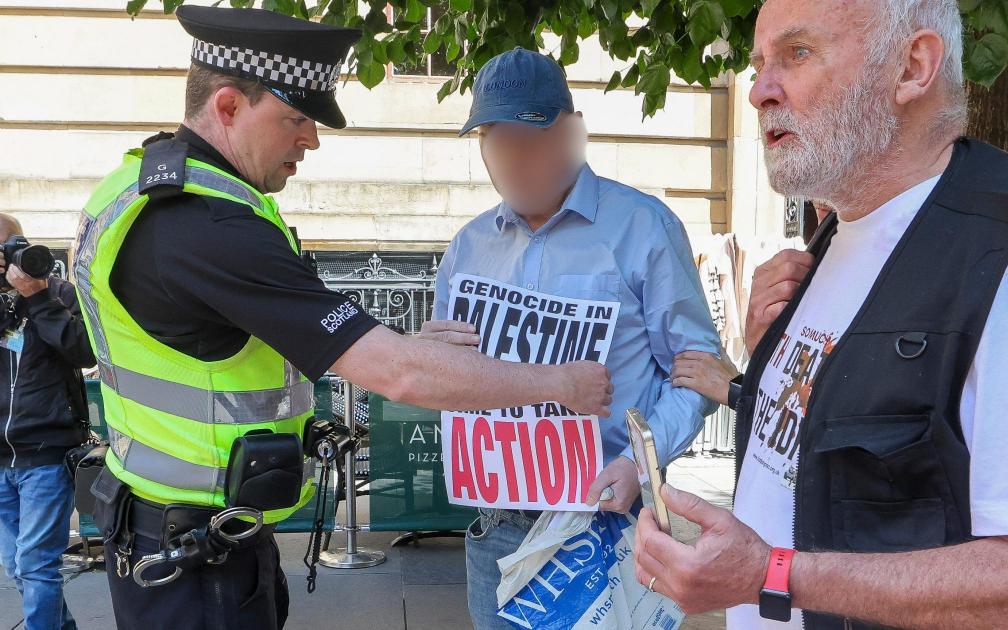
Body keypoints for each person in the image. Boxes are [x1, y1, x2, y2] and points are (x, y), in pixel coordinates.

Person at [73, 7, 611, 629]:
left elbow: (222, 338)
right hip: (196, 563)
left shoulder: (137, 185)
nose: (311, 139)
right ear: (227, 106)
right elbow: (399, 377)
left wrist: (399, 344)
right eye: (296, 118)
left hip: (168, 531)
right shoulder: (210, 226)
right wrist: (559, 386)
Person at [634, 1, 1008, 628]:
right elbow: (846, 456)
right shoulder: (837, 234)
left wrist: (771, 575)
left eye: (797, 53)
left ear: (913, 66)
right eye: (759, 62)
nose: (760, 91)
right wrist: (763, 372)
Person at [419, 47, 721, 629]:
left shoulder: (645, 228)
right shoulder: (469, 246)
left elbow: (698, 370)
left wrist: (639, 463)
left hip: (609, 522)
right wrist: (431, 357)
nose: (513, 160)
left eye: (528, 141)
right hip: (499, 528)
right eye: (497, 142)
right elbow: (452, 381)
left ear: (567, 134)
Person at [0, 214, 93, 630]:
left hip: (46, 455)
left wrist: (35, 297)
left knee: (37, 565)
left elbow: (84, 351)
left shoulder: (59, 294)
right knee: (18, 567)